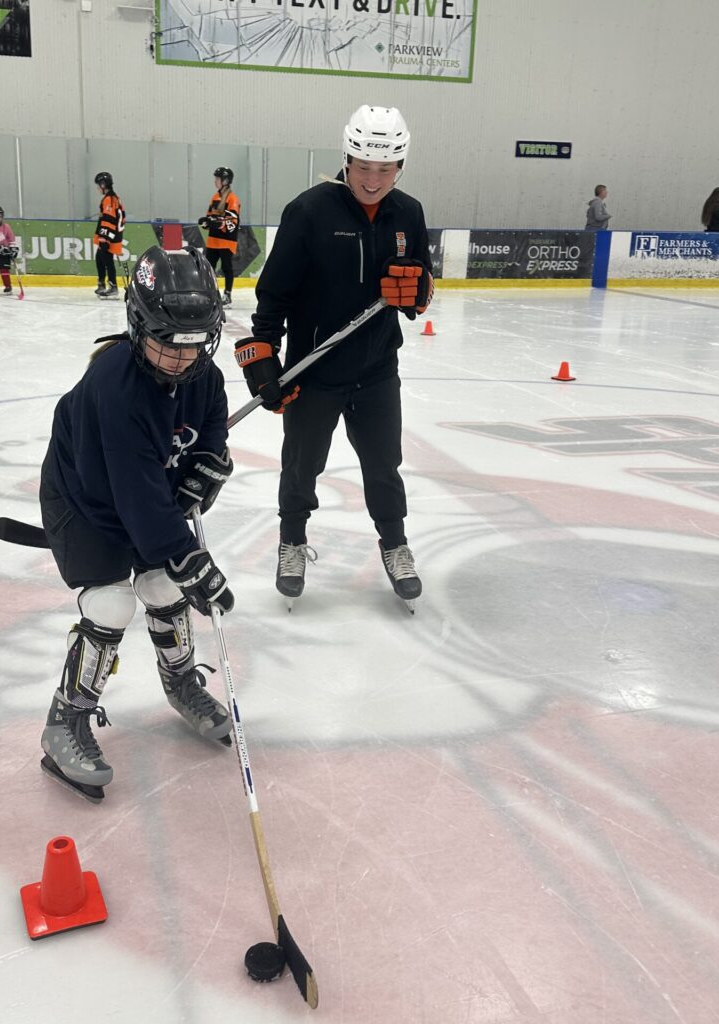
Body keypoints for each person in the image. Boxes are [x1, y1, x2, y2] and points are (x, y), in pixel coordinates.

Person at [37, 245, 235, 802]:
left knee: (164, 585)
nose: (181, 358)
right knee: (111, 603)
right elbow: (134, 494)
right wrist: (189, 556)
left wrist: (206, 468)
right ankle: (64, 722)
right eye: (167, 342)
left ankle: (181, 683)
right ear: (137, 325)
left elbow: (210, 433)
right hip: (83, 503)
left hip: (145, 494)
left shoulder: (205, 377)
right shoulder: (114, 387)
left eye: (194, 344)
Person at [237, 104, 433, 611]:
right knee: (301, 465)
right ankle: (292, 542)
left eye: (385, 169)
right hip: (315, 371)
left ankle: (395, 544)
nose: (373, 180)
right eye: (364, 166)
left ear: (400, 166)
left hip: (377, 369)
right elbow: (274, 293)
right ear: (346, 159)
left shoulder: (408, 213)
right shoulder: (309, 211)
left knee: (384, 465)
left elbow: (421, 280)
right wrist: (264, 356)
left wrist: (417, 292)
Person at [199, 166, 240, 306]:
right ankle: (210, 293)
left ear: (225, 181)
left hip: (227, 241)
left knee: (227, 268)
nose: (215, 181)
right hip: (213, 240)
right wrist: (206, 223)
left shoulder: (233, 199)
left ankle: (227, 295)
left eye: (217, 178)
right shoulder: (215, 197)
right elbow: (210, 216)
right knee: (209, 268)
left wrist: (219, 223)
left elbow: (232, 222)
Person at [93, 171, 127, 298]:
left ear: (103, 185)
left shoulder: (110, 199)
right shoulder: (113, 198)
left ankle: (113, 287)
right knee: (99, 258)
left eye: (98, 185)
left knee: (107, 260)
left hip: (110, 236)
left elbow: (109, 220)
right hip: (110, 235)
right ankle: (102, 283)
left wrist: (105, 239)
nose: (97, 188)